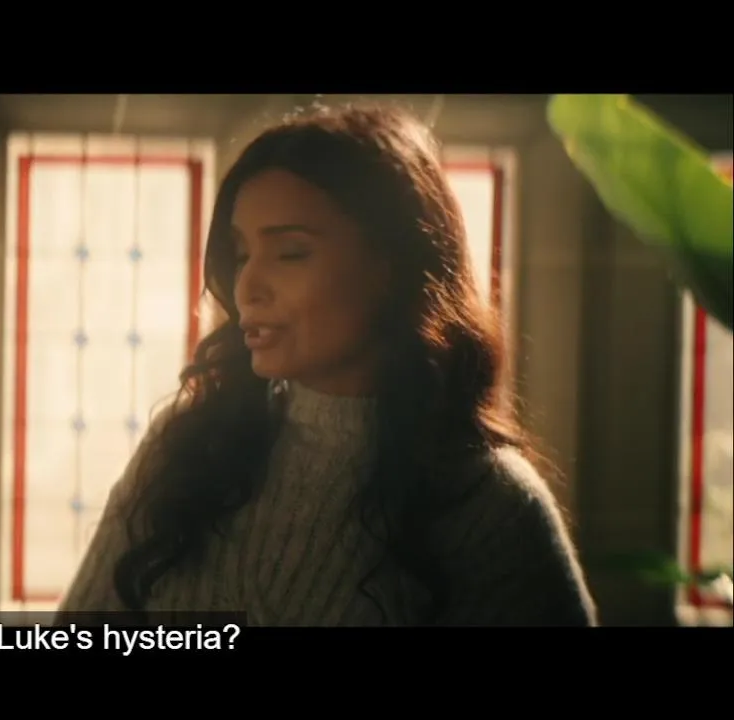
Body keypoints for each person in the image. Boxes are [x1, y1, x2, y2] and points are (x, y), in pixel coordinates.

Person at [58, 105, 597, 626]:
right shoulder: (188, 446)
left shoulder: (491, 505)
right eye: (241, 254)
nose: (248, 286)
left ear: (391, 267)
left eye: (290, 253)